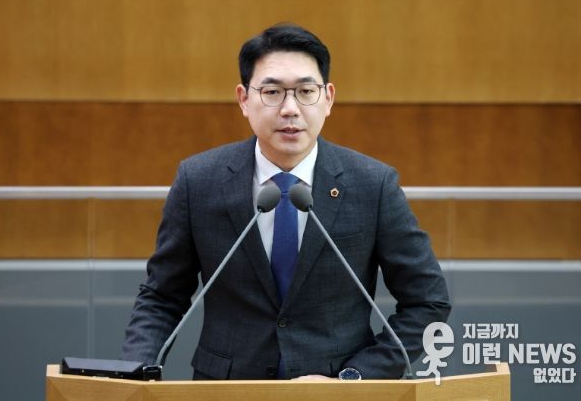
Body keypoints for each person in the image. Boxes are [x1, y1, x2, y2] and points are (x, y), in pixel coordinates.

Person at [121, 23, 451, 380]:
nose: (290, 109)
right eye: (273, 92)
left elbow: (427, 301)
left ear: (328, 98)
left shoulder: (372, 184)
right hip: (226, 389)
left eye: (306, 91)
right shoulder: (198, 181)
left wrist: (354, 378)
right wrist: (136, 375)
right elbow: (162, 297)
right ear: (244, 99)